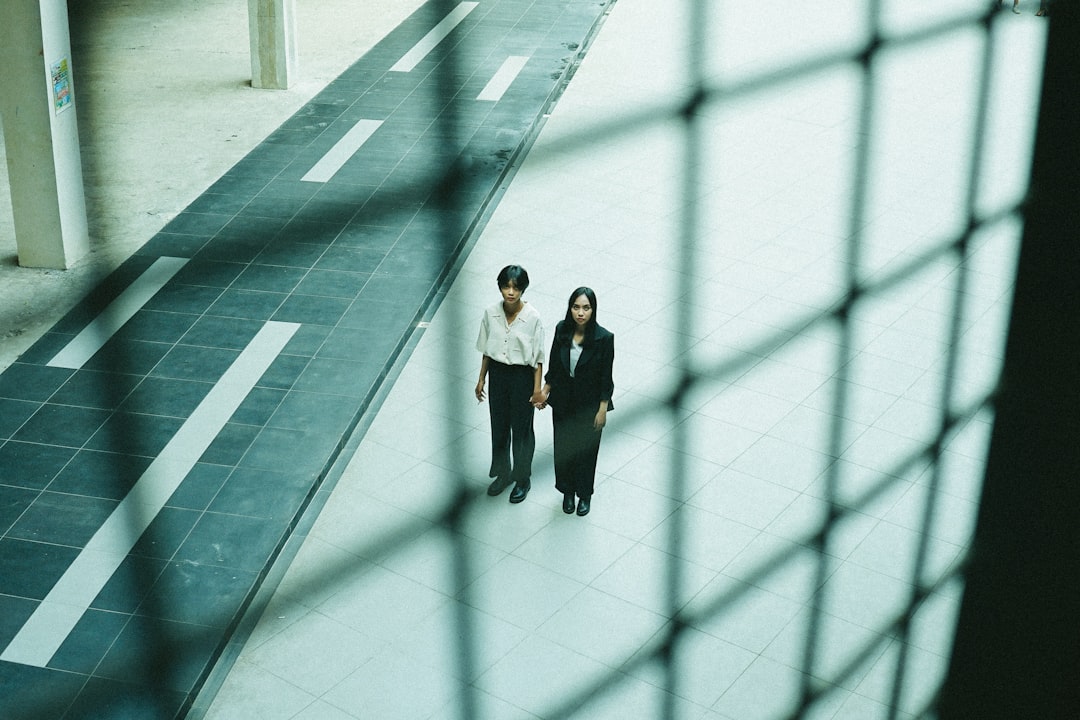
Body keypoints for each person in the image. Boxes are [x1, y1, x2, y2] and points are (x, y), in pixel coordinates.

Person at [537, 287, 614, 516]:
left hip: (589, 406)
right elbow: (554, 365)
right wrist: (545, 391)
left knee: (587, 450)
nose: (580, 313)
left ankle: (584, 494)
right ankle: (567, 492)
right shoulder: (562, 330)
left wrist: (603, 409)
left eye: (586, 308)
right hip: (563, 401)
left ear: (593, 310)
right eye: (576, 307)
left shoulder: (604, 338)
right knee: (563, 448)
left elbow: (606, 378)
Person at [475, 265, 546, 503]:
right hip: (498, 375)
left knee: (522, 430)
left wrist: (537, 390)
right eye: (506, 286)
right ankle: (503, 473)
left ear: (523, 289)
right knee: (500, 425)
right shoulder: (490, 313)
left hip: (522, 377)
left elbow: (537, 359)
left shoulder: (532, 317)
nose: (511, 292)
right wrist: (481, 378)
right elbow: (486, 349)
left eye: (516, 287)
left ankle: (522, 478)